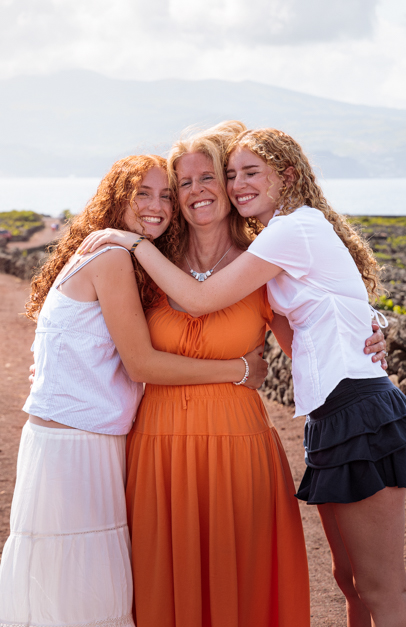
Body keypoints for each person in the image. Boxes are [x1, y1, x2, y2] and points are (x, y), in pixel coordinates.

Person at [79, 126, 389, 627]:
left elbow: (313, 321)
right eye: (184, 182)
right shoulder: (146, 266)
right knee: (163, 587)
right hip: (158, 446)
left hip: (238, 448)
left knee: (238, 587)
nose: (197, 189)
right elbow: (87, 334)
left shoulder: (265, 264)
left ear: (227, 189)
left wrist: (372, 329)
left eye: (210, 177)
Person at [0, 154, 268, 627]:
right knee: (82, 593)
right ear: (115, 197)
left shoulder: (101, 250)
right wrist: (238, 368)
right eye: (142, 193)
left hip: (66, 438)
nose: (158, 205)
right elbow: (141, 363)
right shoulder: (111, 258)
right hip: (77, 444)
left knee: (63, 589)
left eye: (166, 195)